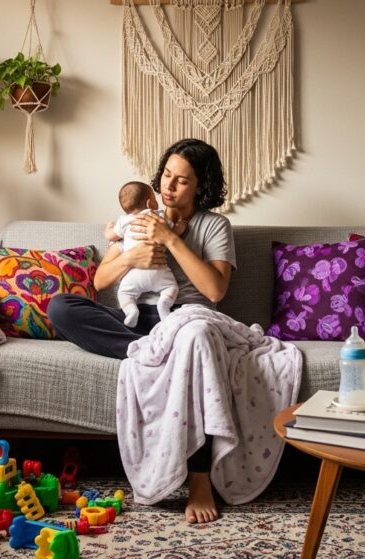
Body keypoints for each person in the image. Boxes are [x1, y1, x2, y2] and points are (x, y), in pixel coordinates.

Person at [47, 138, 236, 524]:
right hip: (136, 321)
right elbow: (99, 282)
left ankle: (201, 479)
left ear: (201, 185)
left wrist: (170, 241)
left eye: (182, 180)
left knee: (195, 339)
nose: (169, 186)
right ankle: (156, 354)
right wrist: (131, 256)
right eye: (167, 175)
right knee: (61, 306)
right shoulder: (139, 213)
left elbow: (215, 290)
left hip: (185, 320)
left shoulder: (215, 225)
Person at [104, 181, 181, 328]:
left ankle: (131, 311)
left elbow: (111, 236)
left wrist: (109, 228)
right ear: (150, 202)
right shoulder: (158, 216)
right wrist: (180, 227)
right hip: (159, 271)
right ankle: (164, 305)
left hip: (134, 276)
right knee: (171, 288)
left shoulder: (124, 221)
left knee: (124, 294)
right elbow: (171, 235)